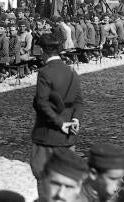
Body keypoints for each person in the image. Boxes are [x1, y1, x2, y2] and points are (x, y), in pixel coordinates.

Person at [31, 33, 83, 201]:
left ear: (42, 50)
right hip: (68, 136)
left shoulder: (45, 72)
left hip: (47, 135)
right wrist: (75, 120)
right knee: (66, 180)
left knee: (45, 181)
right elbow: (78, 101)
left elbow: (42, 104)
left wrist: (60, 123)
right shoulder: (71, 71)